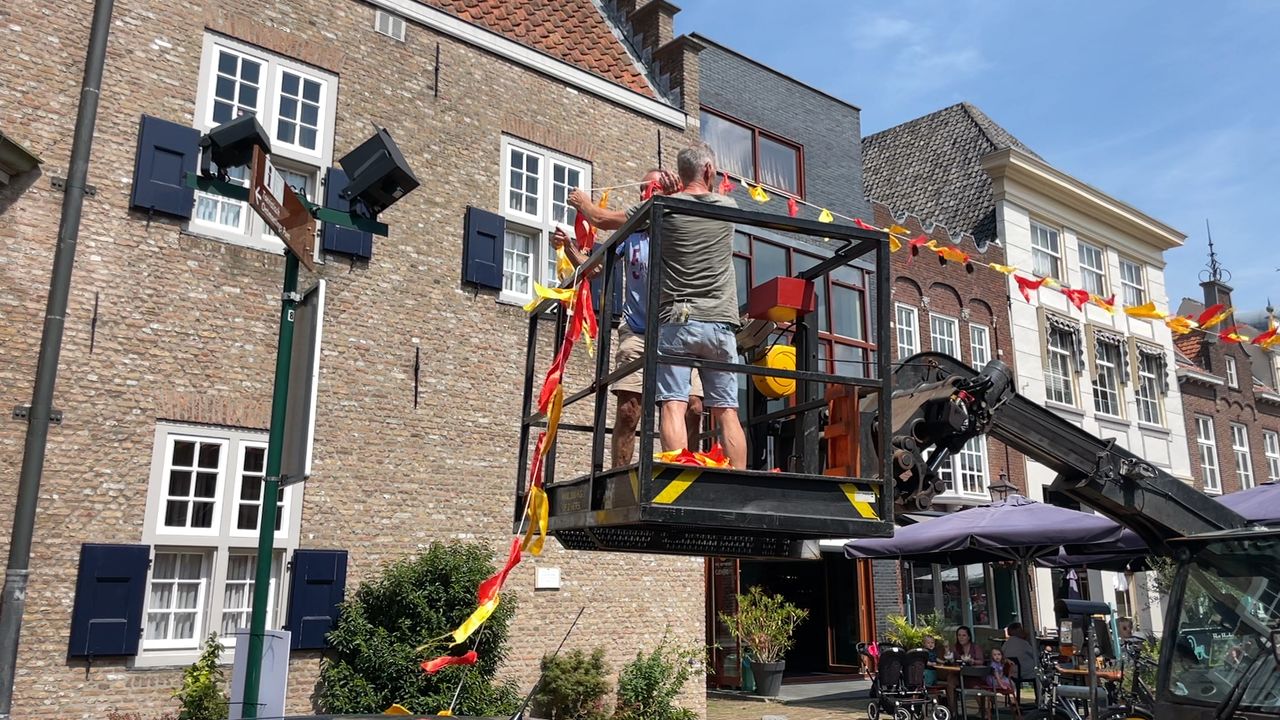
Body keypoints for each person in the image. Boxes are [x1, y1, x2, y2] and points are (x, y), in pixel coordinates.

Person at [569, 143, 747, 468]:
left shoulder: (660, 209)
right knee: (727, 411)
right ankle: (741, 482)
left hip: (679, 318)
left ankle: (680, 476)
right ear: (708, 171)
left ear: (677, 177)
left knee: (674, 405)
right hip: (720, 320)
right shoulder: (729, 205)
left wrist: (582, 202)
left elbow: (600, 218)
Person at [558, 169, 703, 467]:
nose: (641, 195)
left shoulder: (682, 224)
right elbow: (594, 269)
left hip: (678, 329)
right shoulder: (631, 231)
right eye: (640, 190)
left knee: (693, 407)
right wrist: (568, 247)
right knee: (628, 410)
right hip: (637, 330)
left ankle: (689, 474)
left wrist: (676, 201)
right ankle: (619, 479)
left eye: (648, 188)